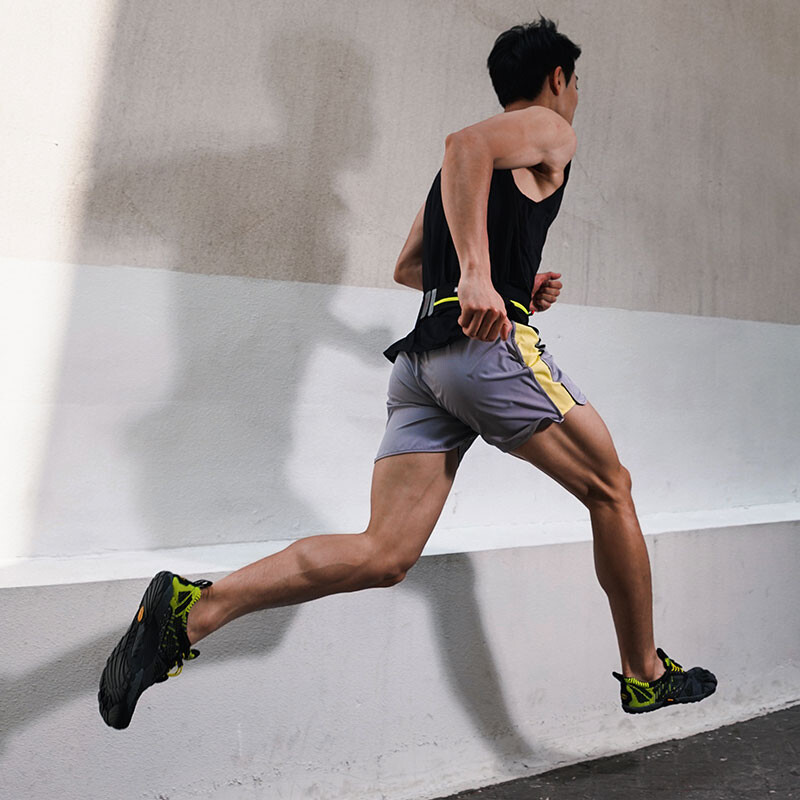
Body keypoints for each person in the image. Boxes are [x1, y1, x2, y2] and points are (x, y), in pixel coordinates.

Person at [99, 16, 716, 730]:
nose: (575, 98)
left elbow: (410, 266)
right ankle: (645, 674)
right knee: (612, 488)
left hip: (424, 366)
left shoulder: (464, 179)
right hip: (485, 353)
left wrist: (509, 280)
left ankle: (190, 613)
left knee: (384, 553)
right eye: (576, 84)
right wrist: (482, 276)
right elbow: (464, 144)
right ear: (557, 79)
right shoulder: (547, 130)